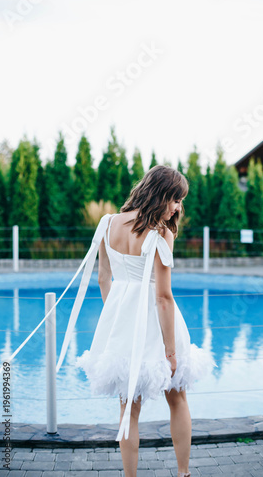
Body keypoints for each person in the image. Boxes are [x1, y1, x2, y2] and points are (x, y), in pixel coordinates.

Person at [74, 165, 214, 477]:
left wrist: (118, 318)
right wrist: (171, 352)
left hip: (122, 322)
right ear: (160, 194)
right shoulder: (160, 233)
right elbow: (163, 297)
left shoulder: (108, 223)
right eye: (176, 199)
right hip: (158, 322)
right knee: (177, 399)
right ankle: (183, 473)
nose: (179, 207)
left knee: (128, 410)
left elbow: (103, 278)